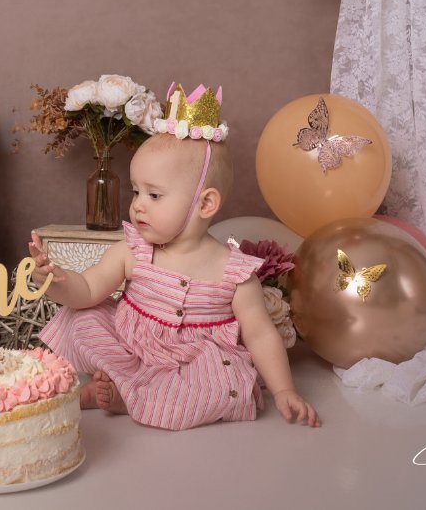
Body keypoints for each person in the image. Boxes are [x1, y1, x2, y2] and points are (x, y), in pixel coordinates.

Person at [34, 84, 320, 430]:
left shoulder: (234, 273)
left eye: (154, 195)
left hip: (190, 364)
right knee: (84, 318)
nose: (138, 204)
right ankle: (119, 385)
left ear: (205, 204)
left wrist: (284, 389)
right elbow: (89, 289)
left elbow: (260, 335)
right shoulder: (134, 249)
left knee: (212, 388)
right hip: (134, 349)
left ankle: (127, 399)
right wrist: (57, 281)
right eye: (136, 191)